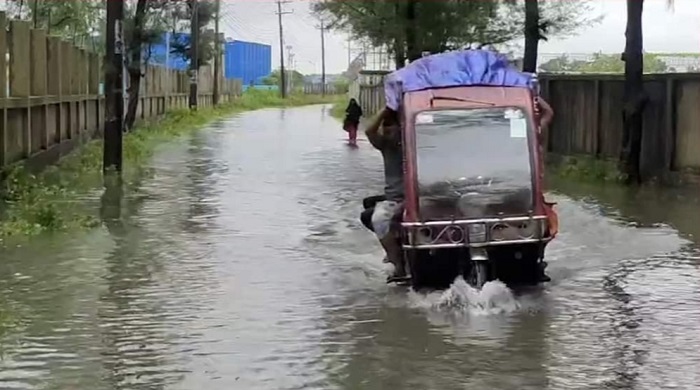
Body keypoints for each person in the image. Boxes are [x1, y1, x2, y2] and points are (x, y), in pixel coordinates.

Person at [363, 107, 407, 283]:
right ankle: (396, 258)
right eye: (385, 126)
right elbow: (368, 131)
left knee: (376, 217)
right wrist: (387, 108)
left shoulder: (419, 143)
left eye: (391, 125)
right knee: (371, 211)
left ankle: (399, 263)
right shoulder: (387, 146)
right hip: (395, 199)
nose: (387, 129)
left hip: (414, 198)